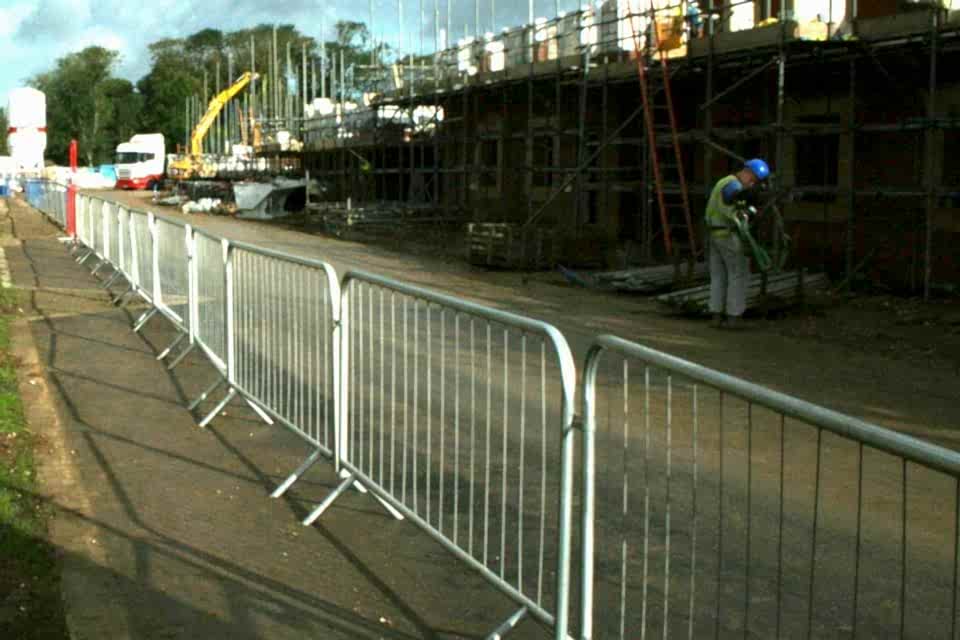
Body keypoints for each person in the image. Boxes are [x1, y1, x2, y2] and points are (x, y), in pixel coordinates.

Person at [705, 158, 770, 329]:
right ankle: (734, 317)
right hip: (728, 235)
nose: (752, 184)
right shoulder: (733, 185)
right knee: (738, 274)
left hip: (714, 234)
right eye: (753, 180)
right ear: (747, 172)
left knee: (718, 277)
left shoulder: (723, 181)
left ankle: (716, 316)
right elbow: (733, 200)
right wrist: (751, 208)